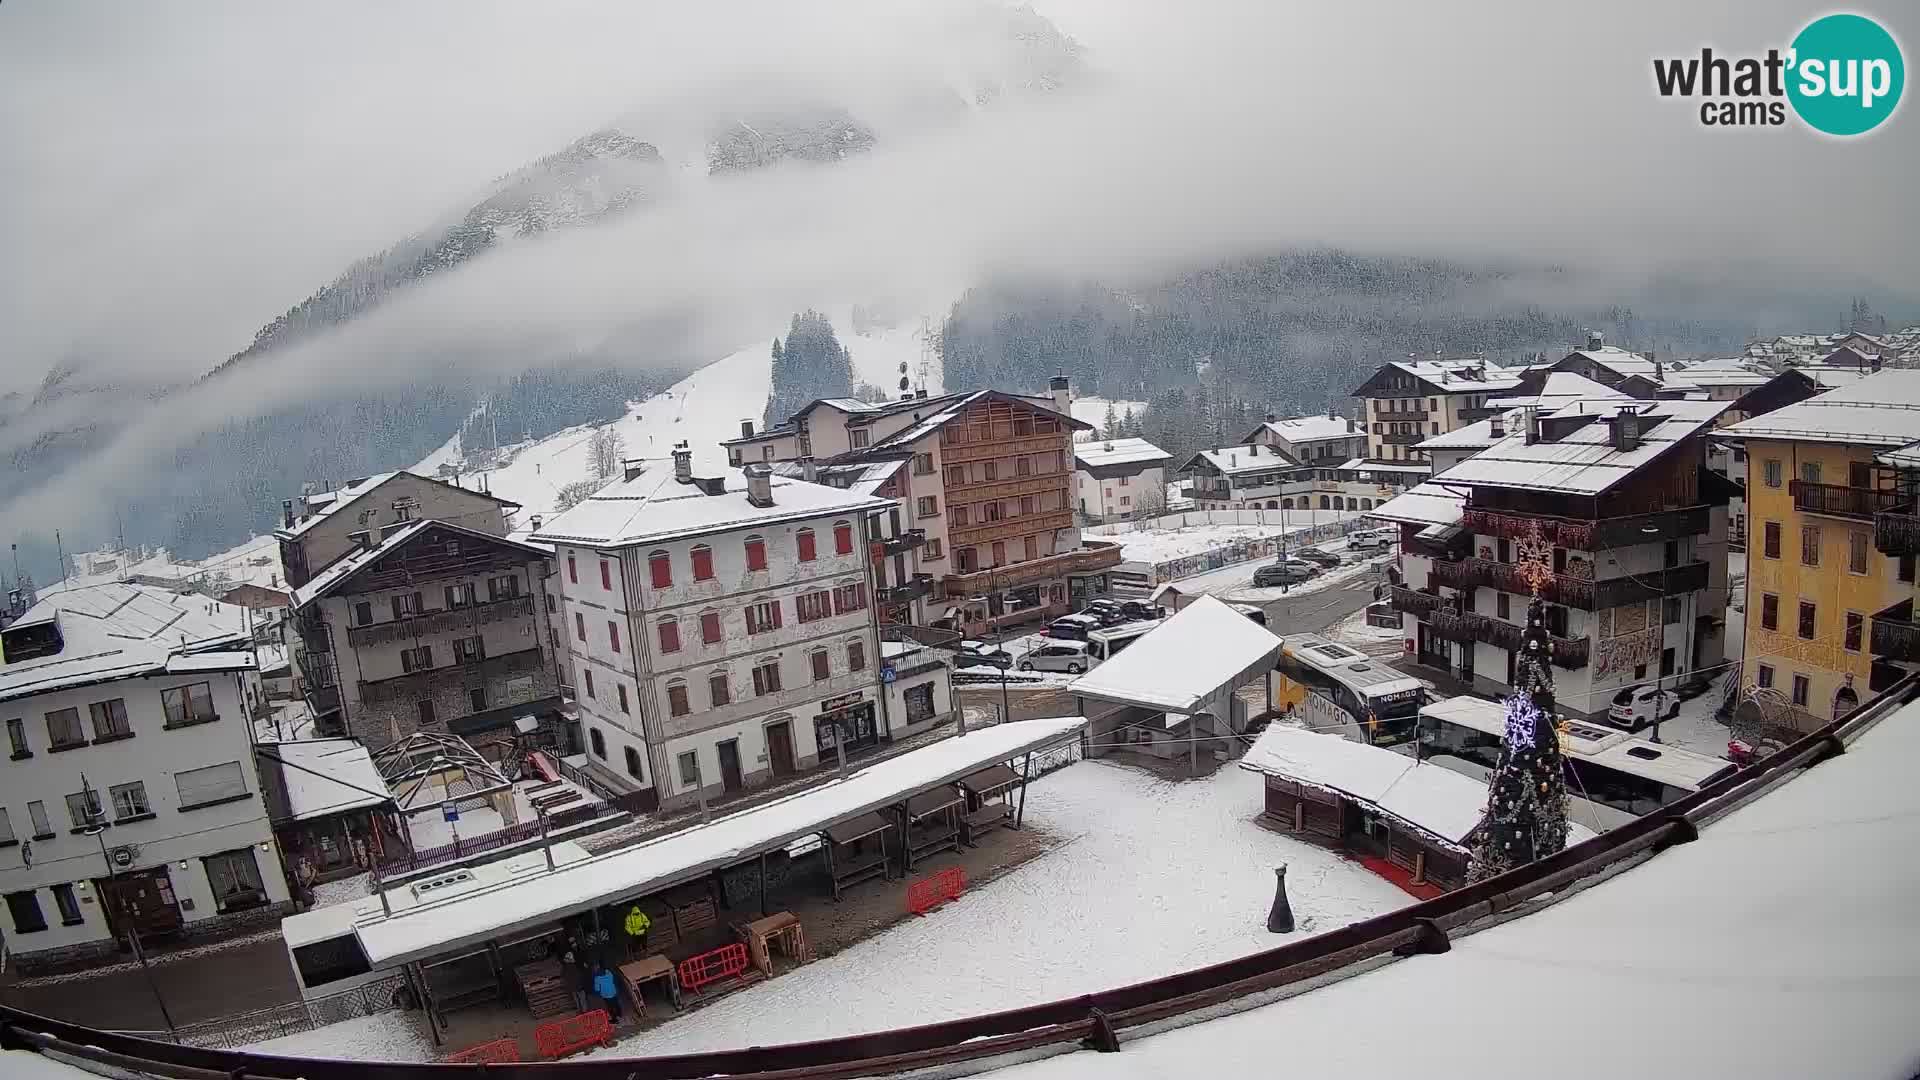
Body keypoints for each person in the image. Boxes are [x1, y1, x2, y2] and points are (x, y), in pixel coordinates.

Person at [562, 948, 589, 1013]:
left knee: (576, 1000)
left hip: (572, 988)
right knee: (582, 999)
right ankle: (585, 1011)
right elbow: (579, 977)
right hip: (579, 987)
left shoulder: (564, 969)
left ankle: (579, 1010)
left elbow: (565, 978)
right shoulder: (575, 967)